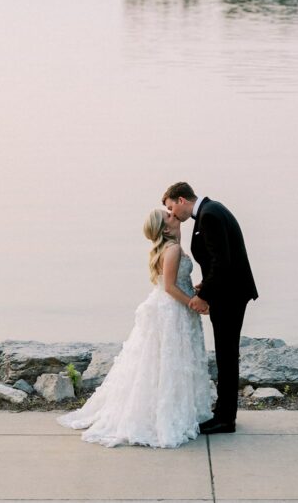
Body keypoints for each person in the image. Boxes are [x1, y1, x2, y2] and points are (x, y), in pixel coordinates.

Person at [57, 208, 213, 448]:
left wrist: (195, 289)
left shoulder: (173, 247)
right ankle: (164, 415)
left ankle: (180, 409)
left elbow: (175, 282)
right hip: (172, 310)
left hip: (172, 307)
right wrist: (192, 303)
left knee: (172, 362)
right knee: (167, 362)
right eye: (168, 216)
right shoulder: (171, 250)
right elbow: (170, 287)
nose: (174, 215)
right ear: (164, 228)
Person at [163, 182, 257, 435]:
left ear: (181, 199)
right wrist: (206, 284)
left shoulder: (210, 215)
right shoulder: (211, 210)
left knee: (226, 356)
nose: (173, 215)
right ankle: (224, 413)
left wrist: (203, 295)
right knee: (226, 355)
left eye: (172, 208)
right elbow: (220, 260)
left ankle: (225, 419)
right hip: (229, 291)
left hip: (230, 295)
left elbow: (222, 262)